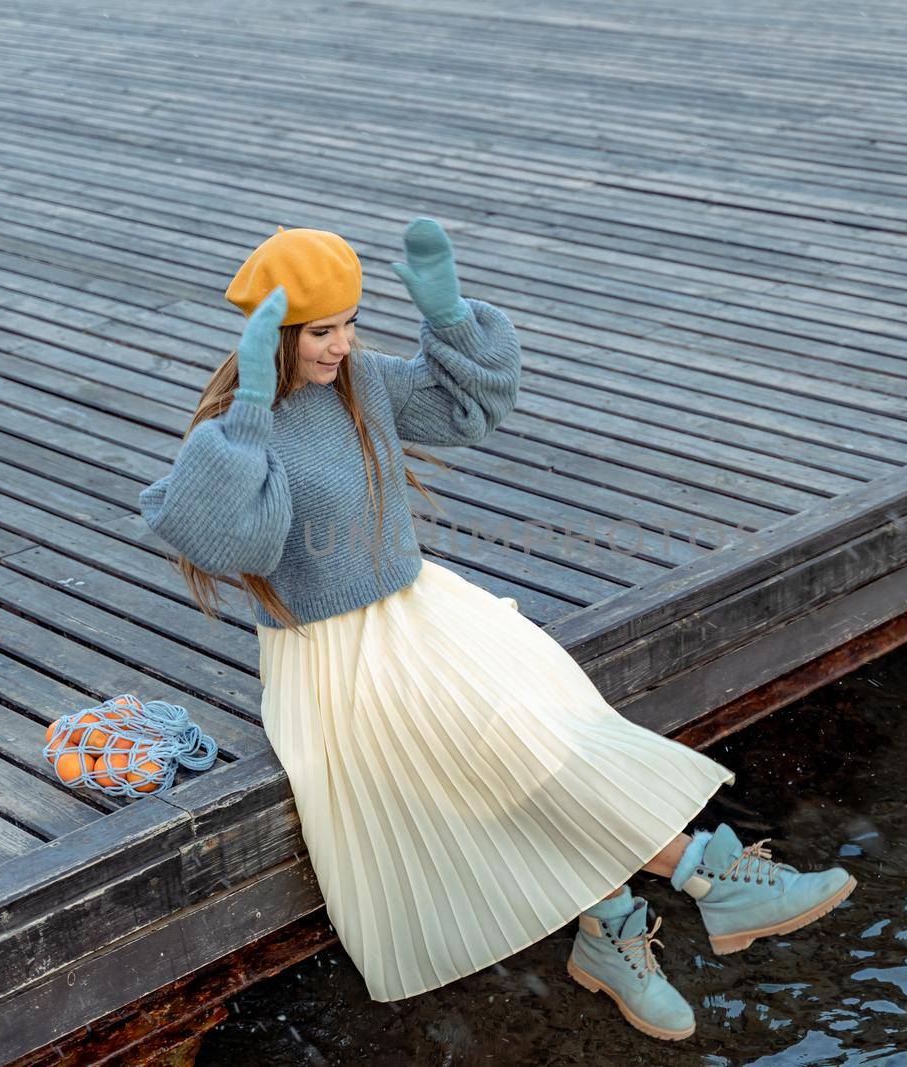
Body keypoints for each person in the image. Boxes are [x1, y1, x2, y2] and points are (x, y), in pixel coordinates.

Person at [138, 217, 857, 1041]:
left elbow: (468, 411)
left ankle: (612, 928)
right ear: (276, 335)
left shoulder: (361, 382)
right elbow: (235, 538)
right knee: (496, 741)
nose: (341, 345)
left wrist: (447, 318)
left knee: (546, 719)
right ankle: (700, 877)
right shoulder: (235, 426)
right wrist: (254, 415)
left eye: (349, 323)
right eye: (320, 331)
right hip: (336, 659)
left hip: (421, 612)